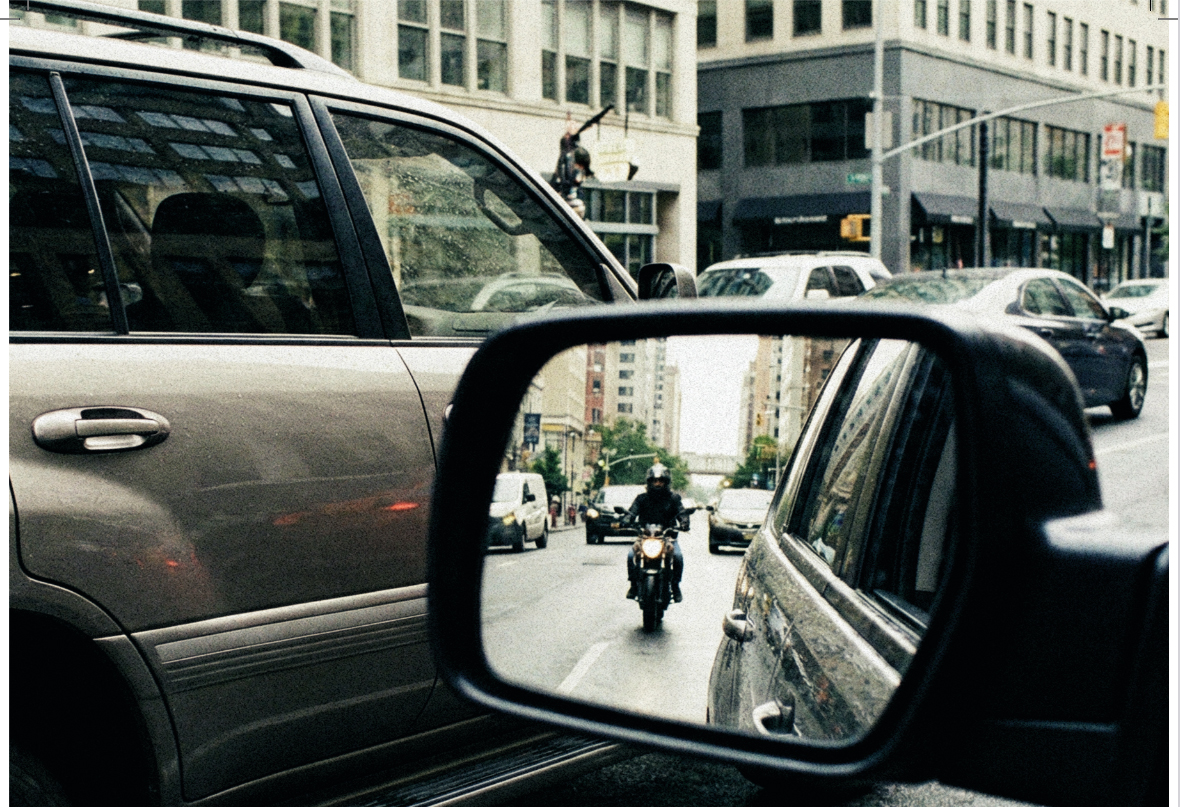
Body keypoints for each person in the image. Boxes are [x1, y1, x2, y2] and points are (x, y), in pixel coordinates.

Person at [625, 463, 690, 602]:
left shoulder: (674, 498)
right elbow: (632, 511)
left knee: (678, 557)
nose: (657, 484)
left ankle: (675, 586)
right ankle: (633, 585)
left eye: (660, 481)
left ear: (666, 482)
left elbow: (682, 512)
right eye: (655, 481)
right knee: (631, 555)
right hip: (645, 537)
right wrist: (626, 519)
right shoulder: (641, 498)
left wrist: (684, 522)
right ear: (649, 482)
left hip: (667, 537)